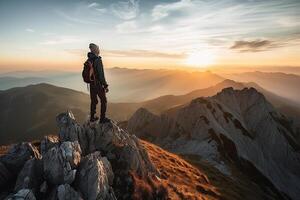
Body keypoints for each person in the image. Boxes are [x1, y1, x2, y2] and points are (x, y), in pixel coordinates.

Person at [87, 43, 110, 123]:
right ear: (95, 50)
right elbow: (101, 75)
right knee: (104, 100)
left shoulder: (89, 59)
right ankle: (102, 119)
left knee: (94, 101)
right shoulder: (97, 60)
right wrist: (105, 85)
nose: (99, 50)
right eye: (98, 48)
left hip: (91, 84)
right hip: (98, 84)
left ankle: (92, 117)